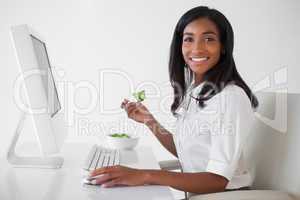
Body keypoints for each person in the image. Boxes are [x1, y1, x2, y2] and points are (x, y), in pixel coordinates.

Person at [89, 6, 258, 196]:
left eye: (209, 39)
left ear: (224, 46)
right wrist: (149, 121)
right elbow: (187, 153)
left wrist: (145, 175)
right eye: (188, 39)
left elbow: (217, 180)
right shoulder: (197, 92)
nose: (197, 48)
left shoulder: (230, 98)